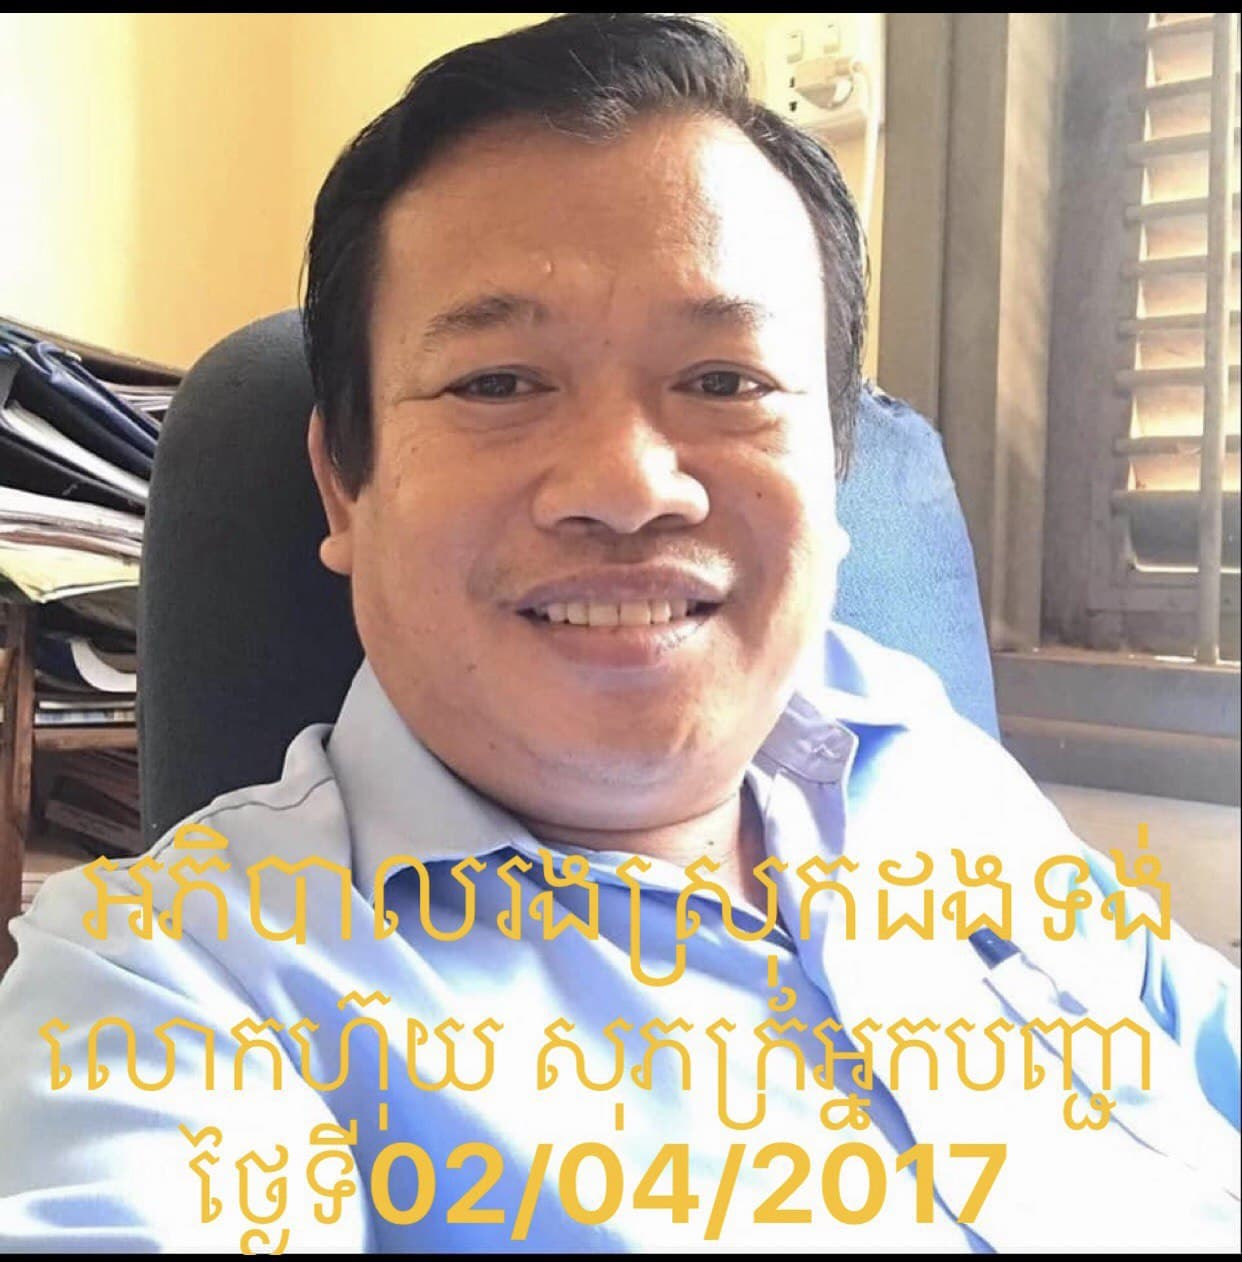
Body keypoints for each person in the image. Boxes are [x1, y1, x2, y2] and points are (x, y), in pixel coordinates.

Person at [0, 12, 1237, 1253]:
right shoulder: (174, 981)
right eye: (497, 383)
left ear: (836, 473)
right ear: (345, 489)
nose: (628, 484)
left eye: (725, 381)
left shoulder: (927, 753)